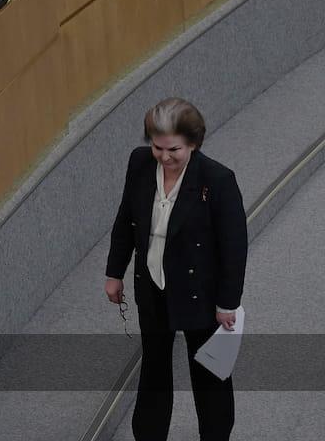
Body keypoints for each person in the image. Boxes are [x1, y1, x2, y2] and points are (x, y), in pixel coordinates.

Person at [105, 98, 247, 440]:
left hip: (201, 293)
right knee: (154, 369)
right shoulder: (139, 163)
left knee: (209, 374)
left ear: (193, 144)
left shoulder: (218, 179)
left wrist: (227, 303)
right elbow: (126, 220)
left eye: (174, 150)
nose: (165, 157)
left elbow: (234, 248)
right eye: (158, 147)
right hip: (153, 286)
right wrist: (114, 272)